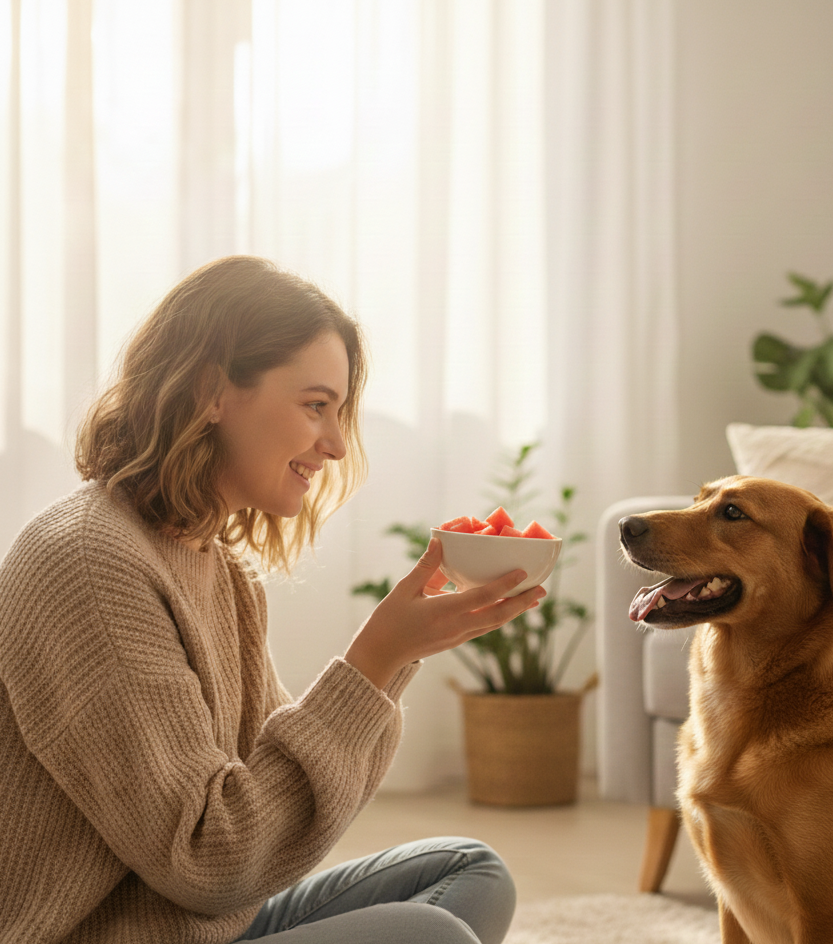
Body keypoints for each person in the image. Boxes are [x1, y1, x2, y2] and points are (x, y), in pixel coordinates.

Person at [0, 255, 544, 944]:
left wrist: (398, 656)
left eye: (340, 412)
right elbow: (210, 860)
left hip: (202, 925)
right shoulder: (89, 564)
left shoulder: (216, 565)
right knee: (432, 936)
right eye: (316, 405)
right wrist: (374, 659)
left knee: (473, 872)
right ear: (211, 392)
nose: (338, 445)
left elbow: (275, 815)